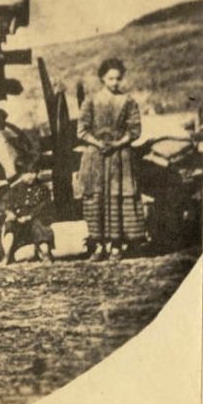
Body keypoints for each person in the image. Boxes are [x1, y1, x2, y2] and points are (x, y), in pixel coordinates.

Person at [77, 58, 147, 261]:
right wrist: (98, 144)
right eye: (110, 78)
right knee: (96, 198)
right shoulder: (90, 101)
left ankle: (116, 246)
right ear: (102, 78)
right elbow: (81, 130)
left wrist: (116, 144)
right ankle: (98, 246)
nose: (115, 82)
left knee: (117, 197)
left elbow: (135, 131)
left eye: (118, 78)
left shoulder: (128, 101)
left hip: (120, 157)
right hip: (95, 157)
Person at [0, 110, 54, 264]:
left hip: (33, 219)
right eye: (27, 173)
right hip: (17, 219)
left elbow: (44, 205)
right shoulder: (14, 189)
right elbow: (5, 203)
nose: (31, 176)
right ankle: (6, 255)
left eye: (34, 172)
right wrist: (9, 213)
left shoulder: (41, 188)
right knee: (10, 229)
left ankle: (45, 253)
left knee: (40, 229)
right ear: (20, 174)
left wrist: (31, 216)